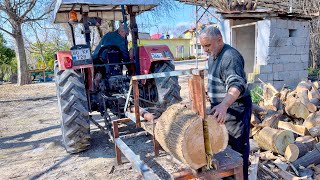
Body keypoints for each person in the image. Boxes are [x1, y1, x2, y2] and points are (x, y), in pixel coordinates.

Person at [199, 26, 252, 179]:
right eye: (203, 46)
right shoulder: (212, 56)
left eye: (207, 45)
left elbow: (237, 84)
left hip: (235, 109)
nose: (205, 50)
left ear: (219, 40)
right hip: (222, 108)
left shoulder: (230, 56)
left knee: (236, 149)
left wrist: (224, 105)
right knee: (222, 147)